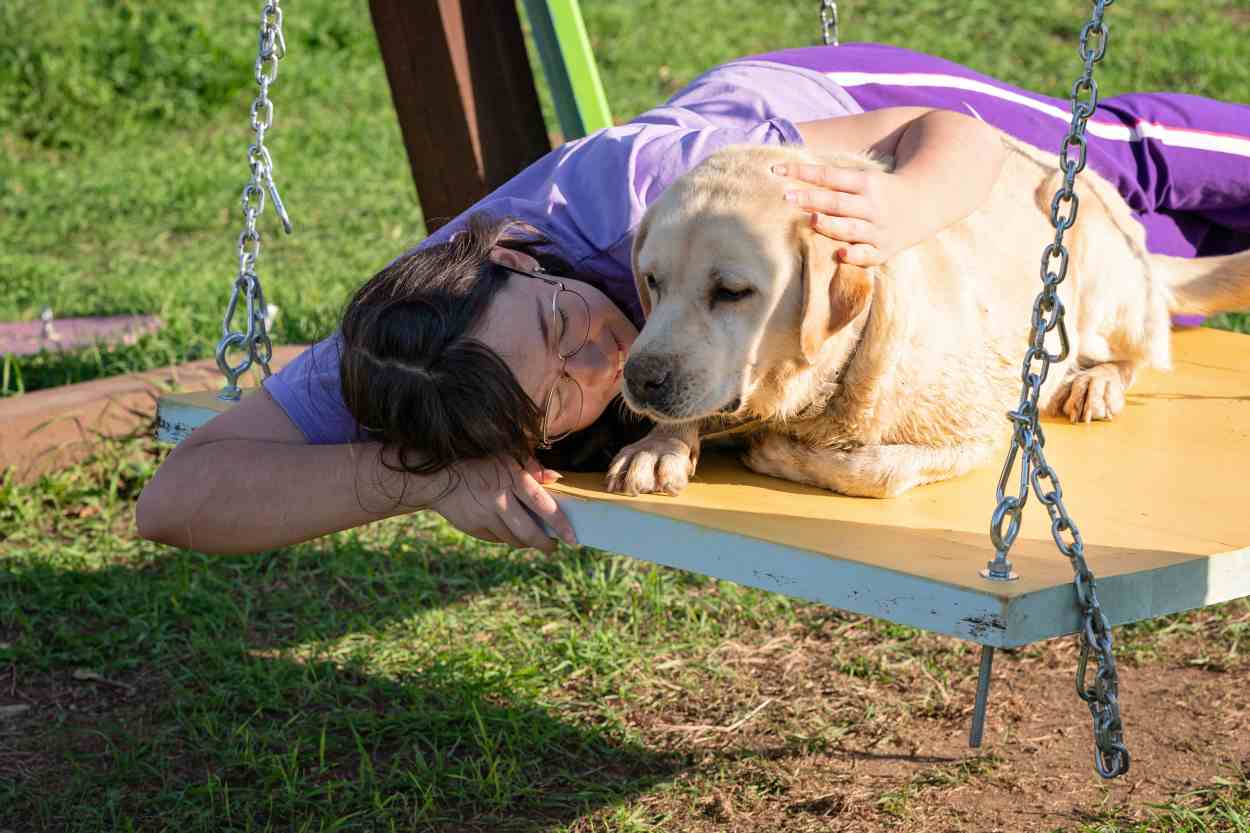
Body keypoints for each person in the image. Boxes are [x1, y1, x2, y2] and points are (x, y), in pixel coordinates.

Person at [136, 43, 1250, 557]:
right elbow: (178, 500)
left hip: (836, 114)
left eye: (564, 324)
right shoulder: (412, 359)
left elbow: (944, 141)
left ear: (523, 255)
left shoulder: (644, 179)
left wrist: (898, 210)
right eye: (562, 394)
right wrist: (415, 474)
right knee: (1157, 272)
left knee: (1114, 165)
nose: (602, 359)